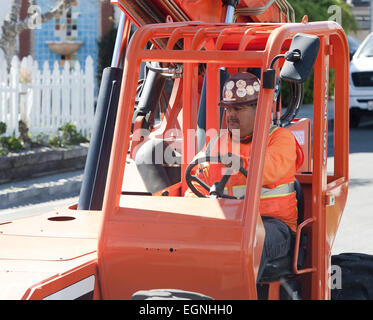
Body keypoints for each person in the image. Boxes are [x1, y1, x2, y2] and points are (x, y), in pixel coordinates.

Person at [185, 72, 303, 281]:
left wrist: (239, 162)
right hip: (228, 224)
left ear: (259, 110)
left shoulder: (280, 139)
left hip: (274, 226)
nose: (230, 114)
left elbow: (268, 168)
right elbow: (197, 185)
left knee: (245, 243)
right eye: (228, 108)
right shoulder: (217, 143)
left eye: (238, 108)